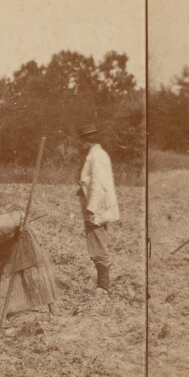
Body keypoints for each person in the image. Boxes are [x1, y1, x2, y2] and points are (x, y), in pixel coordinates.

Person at [77, 124, 120, 293]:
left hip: (96, 208)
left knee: (98, 244)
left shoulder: (98, 157)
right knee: (96, 243)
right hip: (95, 206)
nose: (80, 145)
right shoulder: (94, 155)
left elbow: (98, 185)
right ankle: (102, 283)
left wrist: (91, 209)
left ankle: (103, 285)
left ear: (86, 141)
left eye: (81, 141)